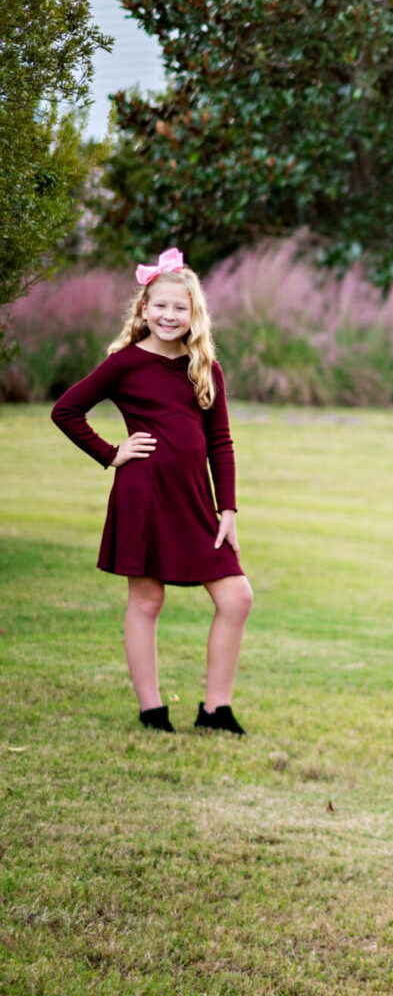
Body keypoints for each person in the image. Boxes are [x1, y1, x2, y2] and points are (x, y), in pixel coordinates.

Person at [51, 249, 254, 736]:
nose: (169, 316)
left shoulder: (205, 367)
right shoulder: (125, 364)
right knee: (147, 601)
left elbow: (220, 442)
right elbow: (66, 410)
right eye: (160, 306)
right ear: (143, 309)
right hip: (142, 495)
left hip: (194, 500)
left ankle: (215, 711)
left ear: (193, 314)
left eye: (179, 308)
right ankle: (151, 709)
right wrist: (111, 452)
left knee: (236, 597)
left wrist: (227, 508)